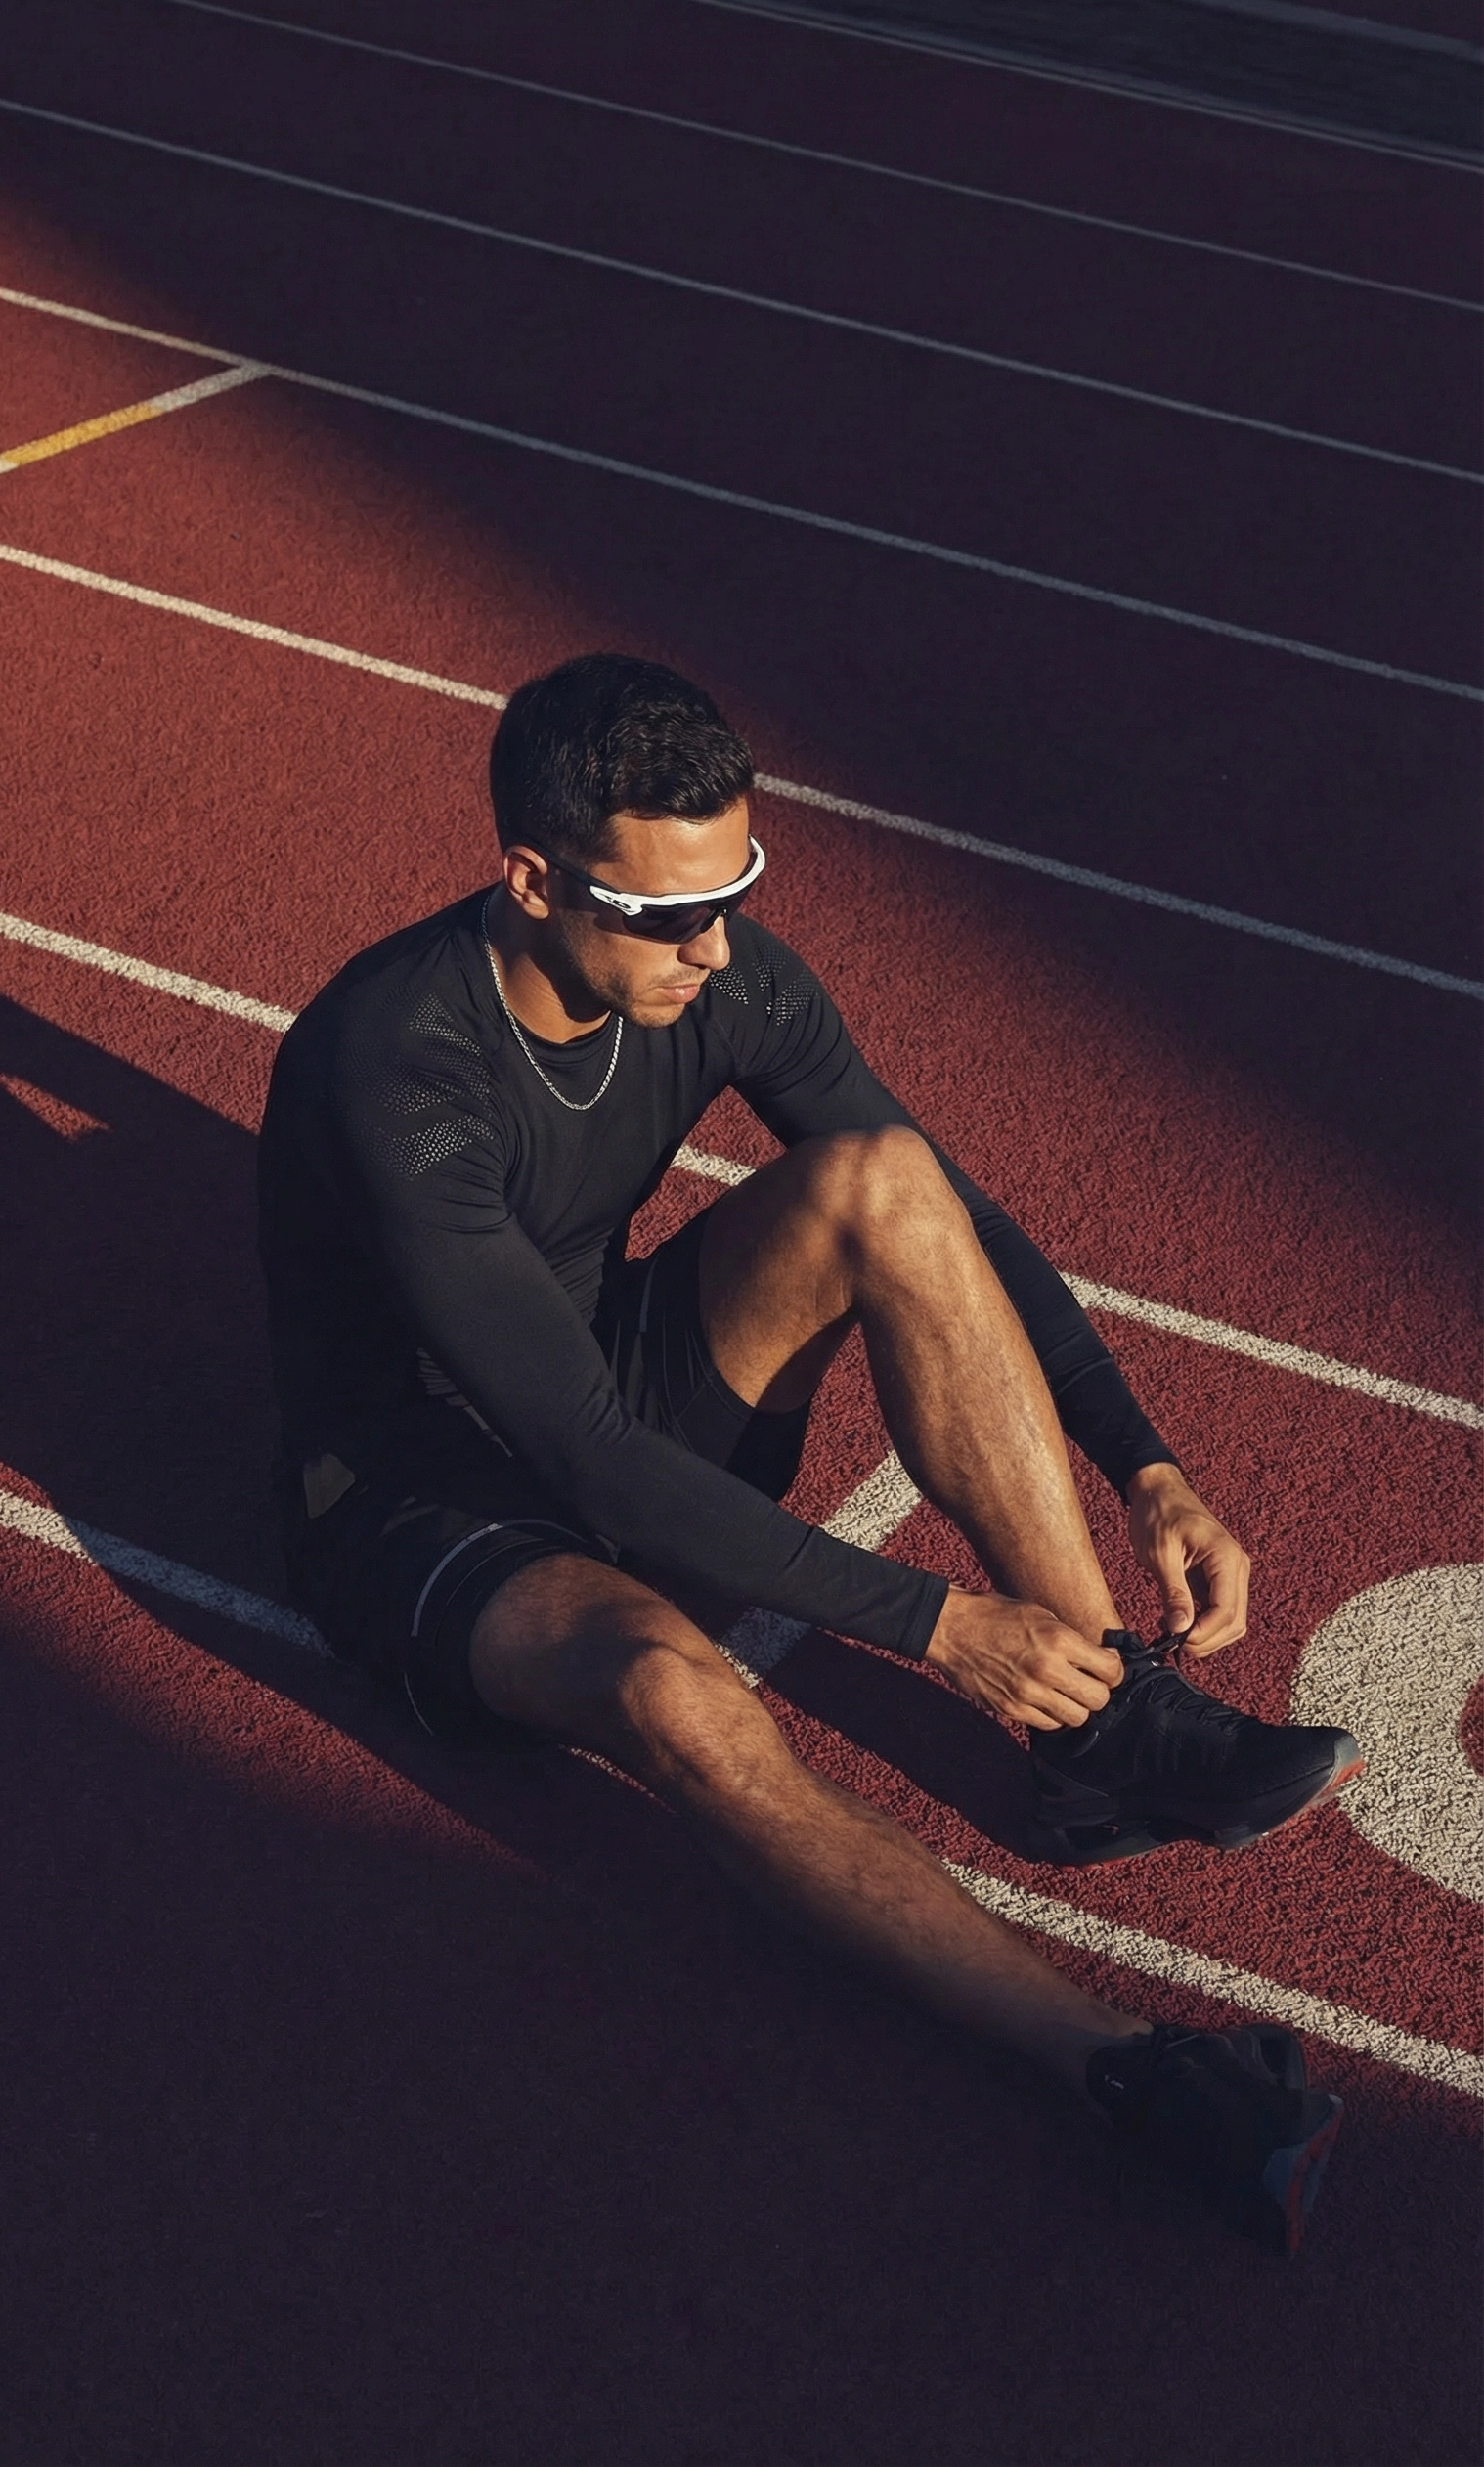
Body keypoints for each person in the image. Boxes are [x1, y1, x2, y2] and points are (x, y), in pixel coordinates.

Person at [258, 654, 1361, 2253]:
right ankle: (1130, 2070)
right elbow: (585, 1462)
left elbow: (956, 1217)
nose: (713, 947)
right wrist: (936, 1627)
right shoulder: (399, 1067)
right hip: (424, 1500)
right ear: (533, 881)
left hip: (606, 1379)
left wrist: (1146, 1461)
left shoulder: (715, 972)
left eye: (736, 893)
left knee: (887, 1181)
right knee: (674, 1693)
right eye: (666, 915)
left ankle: (1101, 1729)